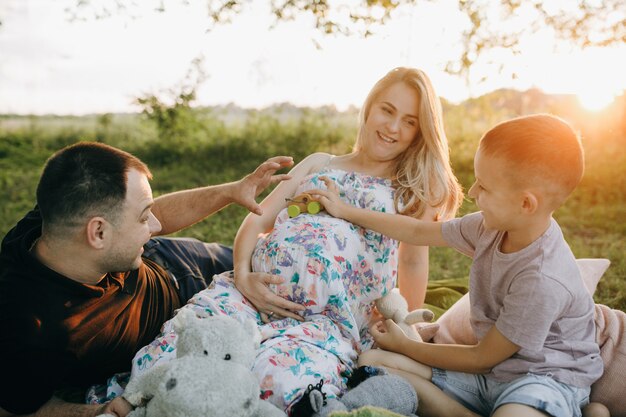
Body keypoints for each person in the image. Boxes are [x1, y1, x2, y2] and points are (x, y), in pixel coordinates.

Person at [128, 66, 464, 414]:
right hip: (252, 295)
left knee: (277, 385)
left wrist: (402, 331)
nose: (393, 127)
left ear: (420, 131)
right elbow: (256, 220)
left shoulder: (410, 189)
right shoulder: (320, 163)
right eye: (387, 110)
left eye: (409, 121)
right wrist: (243, 275)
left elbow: (411, 260)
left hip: (327, 321)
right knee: (179, 351)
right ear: (369, 106)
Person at [313, 114, 603, 417]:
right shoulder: (489, 227)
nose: (473, 192)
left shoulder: (542, 279)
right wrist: (345, 210)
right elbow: (415, 231)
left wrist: (406, 346)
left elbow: (481, 357)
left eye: (485, 187)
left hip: (544, 381)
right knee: (372, 361)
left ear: (526, 204)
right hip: (491, 376)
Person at [0, 141, 294, 417]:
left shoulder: (55, 215)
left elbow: (157, 217)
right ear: (98, 233)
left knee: (285, 269)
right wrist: (96, 411)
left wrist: (232, 191)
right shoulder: (26, 327)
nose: (155, 224)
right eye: (143, 218)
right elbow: (17, 406)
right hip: (190, 316)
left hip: (172, 257)